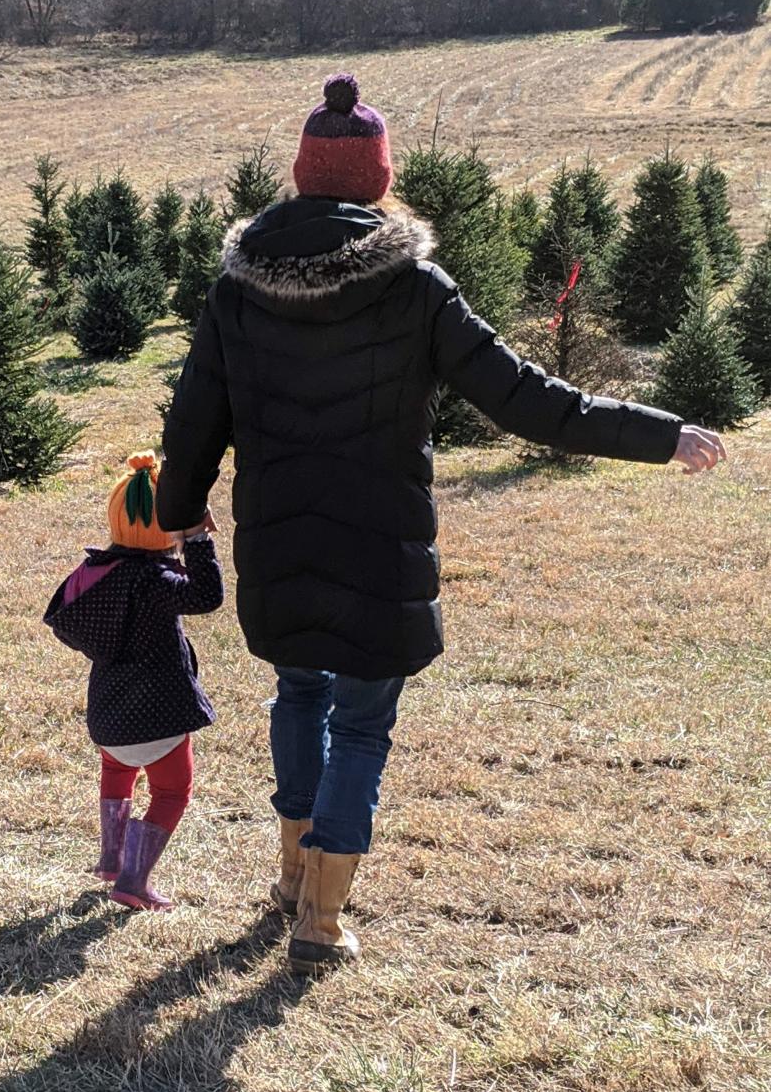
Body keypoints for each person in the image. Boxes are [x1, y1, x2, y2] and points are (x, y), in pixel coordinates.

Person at [156, 71, 726, 976]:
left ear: (301, 178)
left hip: (281, 544)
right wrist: (659, 434)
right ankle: (321, 915)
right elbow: (529, 402)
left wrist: (181, 517)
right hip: (380, 552)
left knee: (300, 694)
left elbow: (191, 425)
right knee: (364, 720)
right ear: (380, 181)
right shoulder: (416, 288)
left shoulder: (238, 292)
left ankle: (294, 875)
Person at [44, 453, 222, 912]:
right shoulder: (156, 579)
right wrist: (199, 539)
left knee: (117, 773)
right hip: (160, 718)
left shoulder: (91, 575)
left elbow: (63, 618)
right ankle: (133, 881)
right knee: (171, 792)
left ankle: (111, 859)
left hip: (108, 716)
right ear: (171, 525)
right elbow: (209, 596)